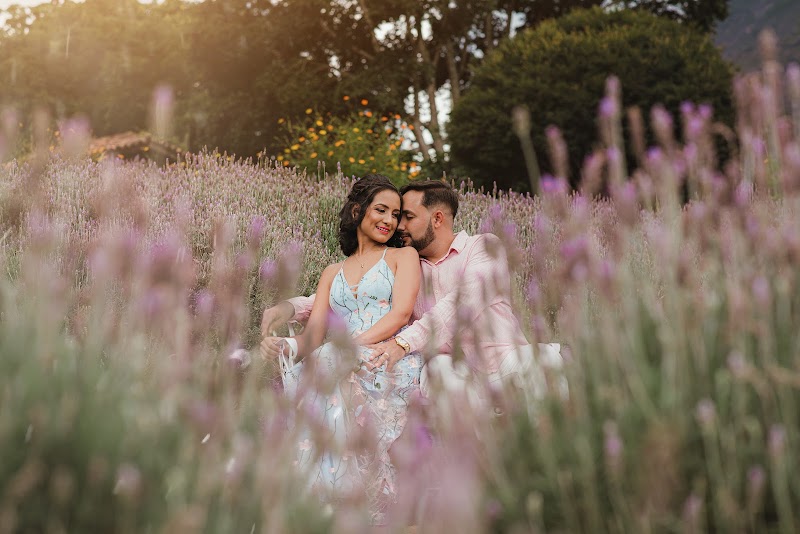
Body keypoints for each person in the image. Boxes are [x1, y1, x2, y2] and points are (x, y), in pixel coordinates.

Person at [261, 180, 562, 410]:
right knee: (438, 374)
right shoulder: (409, 264)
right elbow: (353, 292)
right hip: (454, 372)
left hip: (505, 360)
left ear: (438, 219)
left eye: (406, 217)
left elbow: (465, 302)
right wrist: (291, 307)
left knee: (539, 369)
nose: (398, 225)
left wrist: (403, 343)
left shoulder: (483, 247)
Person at [260, 174, 422, 519]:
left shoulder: (402, 257)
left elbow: (401, 314)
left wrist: (349, 348)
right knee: (320, 381)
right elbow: (314, 335)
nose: (389, 221)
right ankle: (319, 507)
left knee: (328, 380)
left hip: (386, 356)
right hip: (339, 357)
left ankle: (349, 507)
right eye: (381, 210)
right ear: (356, 211)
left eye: (395, 214)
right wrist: (283, 346)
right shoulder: (332, 271)